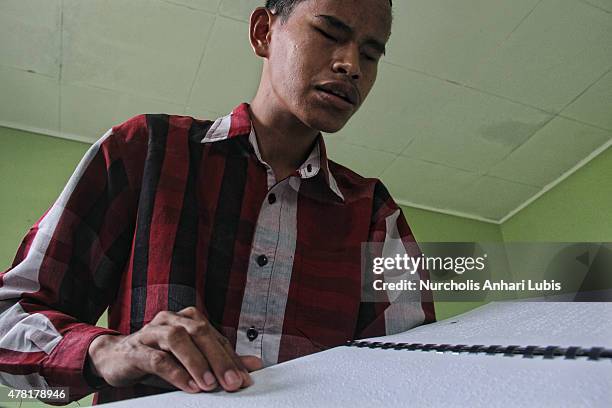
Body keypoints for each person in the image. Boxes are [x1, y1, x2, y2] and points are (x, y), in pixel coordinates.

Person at [0, 0, 434, 405]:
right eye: (328, 32)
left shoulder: (376, 214)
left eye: (372, 54)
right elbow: (8, 319)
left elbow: (415, 376)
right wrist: (106, 351)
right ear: (264, 32)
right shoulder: (143, 150)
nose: (351, 66)